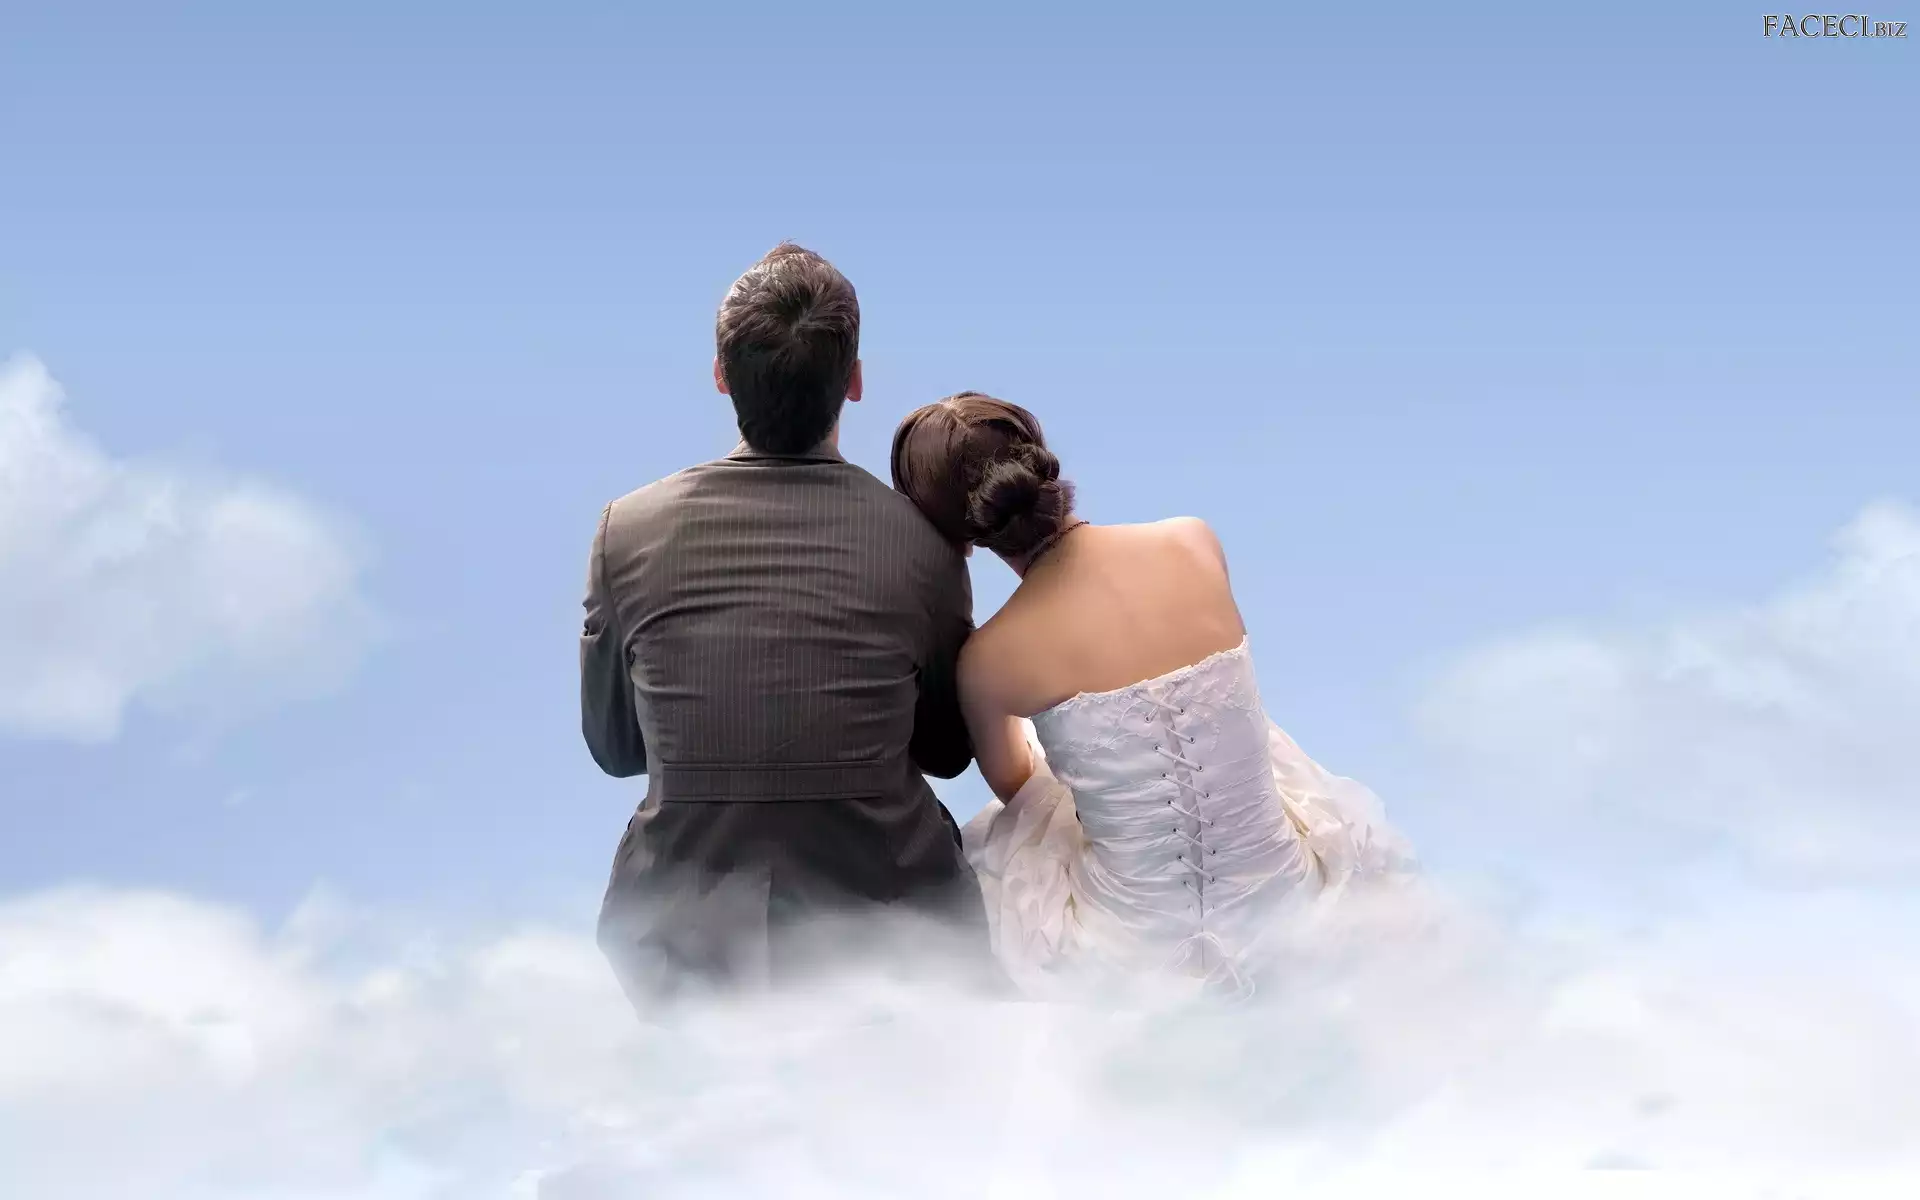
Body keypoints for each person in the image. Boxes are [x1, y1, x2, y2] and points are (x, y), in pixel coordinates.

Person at [890, 392, 1415, 996]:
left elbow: (1021, 791)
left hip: (1132, 947)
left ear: (956, 533)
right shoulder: (1193, 540)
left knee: (1014, 833)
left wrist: (1101, 758)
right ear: (1039, 461)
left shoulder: (989, 661)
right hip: (1287, 897)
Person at [581, 244, 988, 1002]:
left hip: (680, 946)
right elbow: (945, 751)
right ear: (855, 380)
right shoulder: (924, 543)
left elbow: (615, 748)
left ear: (720, 375)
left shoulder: (625, 531)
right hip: (895, 937)